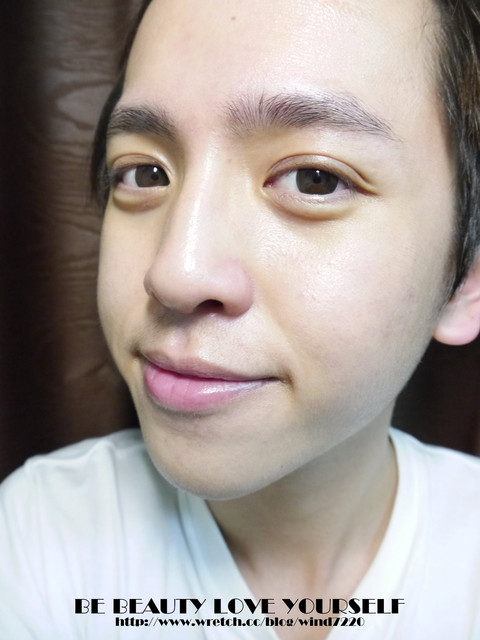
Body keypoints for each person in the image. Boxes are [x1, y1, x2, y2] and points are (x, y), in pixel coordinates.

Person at [1, 0, 479, 638]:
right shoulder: (37, 540)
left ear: (465, 280)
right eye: (144, 172)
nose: (175, 272)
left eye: (314, 179)